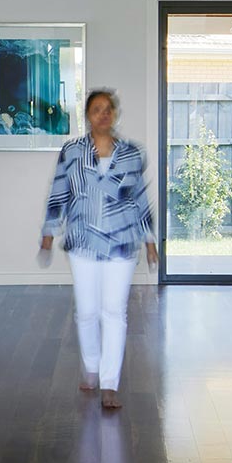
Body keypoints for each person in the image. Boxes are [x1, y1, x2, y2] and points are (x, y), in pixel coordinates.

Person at [40, 88, 158, 410]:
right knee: (88, 311)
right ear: (88, 115)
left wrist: (150, 241)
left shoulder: (132, 153)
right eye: (97, 109)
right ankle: (91, 366)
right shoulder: (72, 151)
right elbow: (59, 192)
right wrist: (49, 232)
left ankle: (109, 383)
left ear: (115, 113)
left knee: (114, 312)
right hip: (82, 241)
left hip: (122, 242)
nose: (103, 114)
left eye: (108, 109)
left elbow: (139, 198)